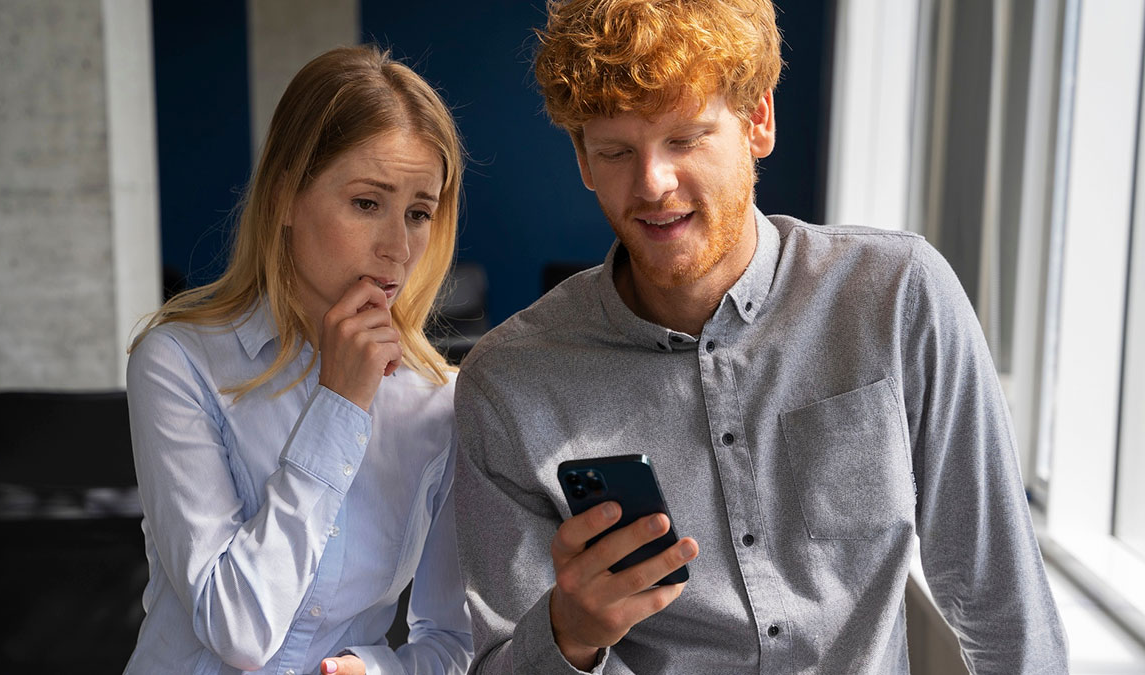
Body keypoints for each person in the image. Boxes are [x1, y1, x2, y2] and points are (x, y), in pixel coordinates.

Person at [453, 1, 1068, 673]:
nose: (654, 183)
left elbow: (1004, 608)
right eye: (617, 151)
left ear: (758, 121)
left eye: (684, 139)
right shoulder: (509, 383)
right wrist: (568, 634)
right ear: (583, 162)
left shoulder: (899, 296)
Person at [124, 45, 472, 675]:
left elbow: (451, 641)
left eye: (418, 213)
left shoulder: (438, 403)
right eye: (367, 203)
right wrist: (339, 404)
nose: (397, 247)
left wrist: (380, 670)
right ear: (284, 198)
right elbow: (238, 630)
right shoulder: (178, 363)